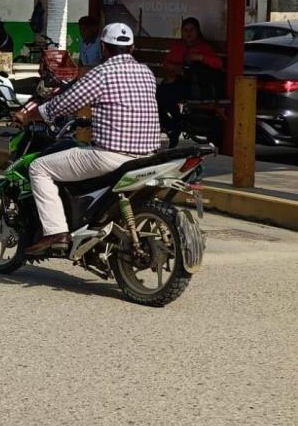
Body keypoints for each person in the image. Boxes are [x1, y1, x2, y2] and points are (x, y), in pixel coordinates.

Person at [13, 23, 159, 256]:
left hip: (109, 156)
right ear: (132, 48)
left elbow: (66, 103)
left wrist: (30, 114)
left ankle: (56, 232)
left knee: (39, 167)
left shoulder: (102, 73)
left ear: (103, 47)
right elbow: (127, 108)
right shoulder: (146, 73)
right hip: (148, 157)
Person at [157, 16, 224, 147]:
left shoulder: (203, 46)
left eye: (192, 30)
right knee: (159, 94)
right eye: (185, 30)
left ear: (198, 31)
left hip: (195, 87)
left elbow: (218, 63)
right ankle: (174, 123)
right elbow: (166, 63)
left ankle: (175, 125)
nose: (188, 33)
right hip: (177, 82)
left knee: (166, 94)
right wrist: (175, 67)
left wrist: (199, 57)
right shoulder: (179, 46)